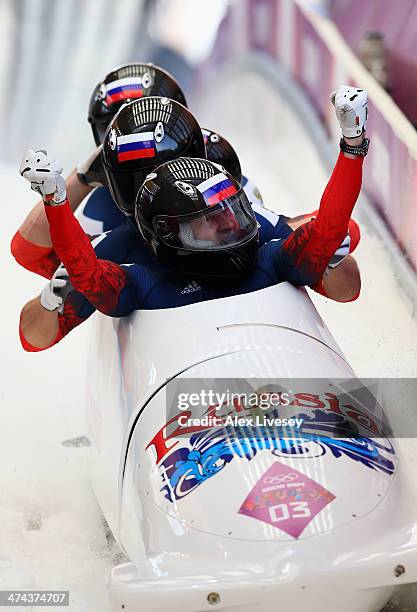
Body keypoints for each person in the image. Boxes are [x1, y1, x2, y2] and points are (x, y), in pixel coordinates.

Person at [18, 86, 369, 351]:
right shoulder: (115, 255)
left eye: (230, 214)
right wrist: (52, 296)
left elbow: (332, 245)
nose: (228, 225)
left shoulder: (234, 206)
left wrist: (332, 256)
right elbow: (35, 293)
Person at [11, 63, 188, 271]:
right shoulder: (104, 207)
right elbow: (31, 251)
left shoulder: (217, 162)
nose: (132, 141)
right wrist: (82, 178)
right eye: (112, 128)